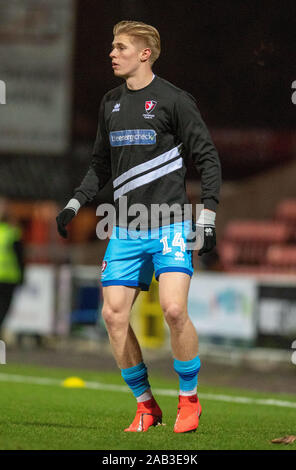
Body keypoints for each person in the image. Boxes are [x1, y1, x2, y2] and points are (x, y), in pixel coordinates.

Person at [56, 20, 221, 433]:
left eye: (120, 47)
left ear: (144, 53)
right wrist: (75, 203)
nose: (112, 53)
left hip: (169, 224)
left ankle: (189, 400)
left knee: (174, 309)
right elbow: (99, 165)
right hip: (126, 228)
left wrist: (209, 218)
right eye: (113, 47)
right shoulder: (109, 102)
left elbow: (208, 159)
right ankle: (146, 405)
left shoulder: (174, 100)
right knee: (113, 316)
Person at [0, 199, 24, 339]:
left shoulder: (12, 232)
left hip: (8, 278)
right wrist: (22, 275)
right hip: (9, 278)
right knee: (3, 311)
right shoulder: (13, 232)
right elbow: (20, 256)